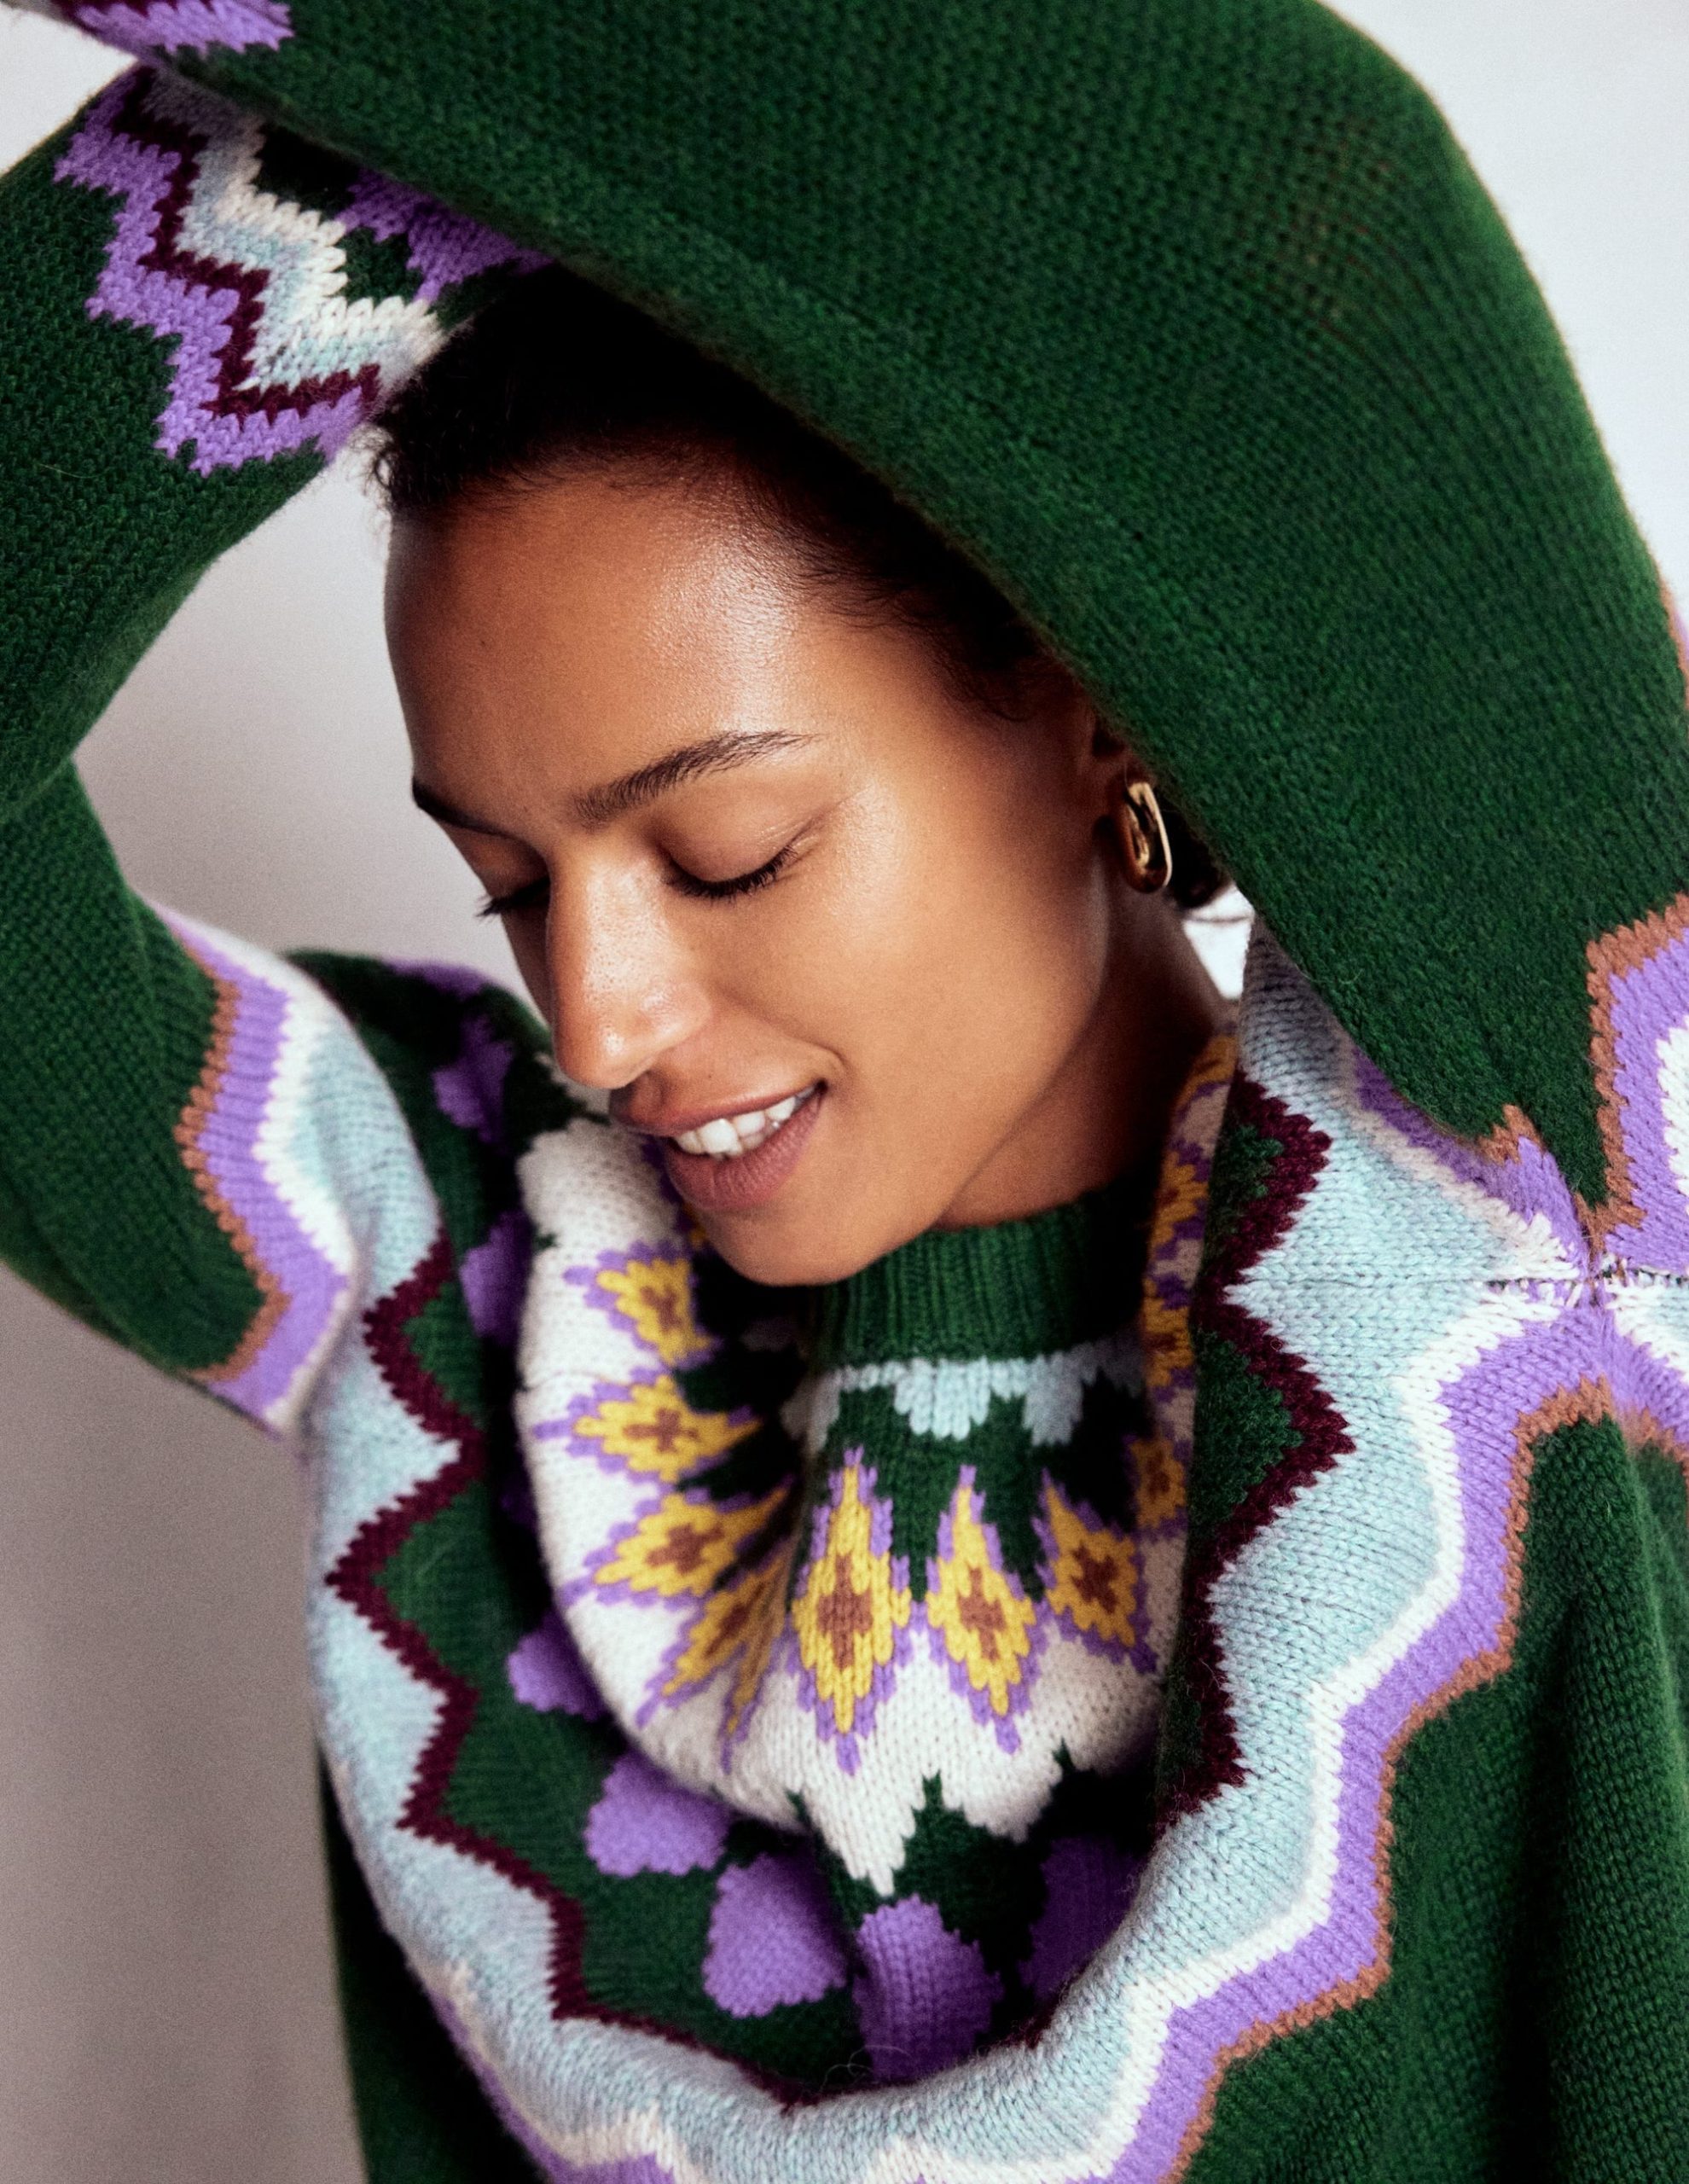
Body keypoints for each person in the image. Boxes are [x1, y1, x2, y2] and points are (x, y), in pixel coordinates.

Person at [4, 4, 1689, 2181]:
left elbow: (1307, 186)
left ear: (1094, 705)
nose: (601, 1016)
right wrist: (325, 208)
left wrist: (418, 60)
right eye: (512, 884)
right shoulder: (459, 1263)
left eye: (730, 853)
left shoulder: (1513, 1182)